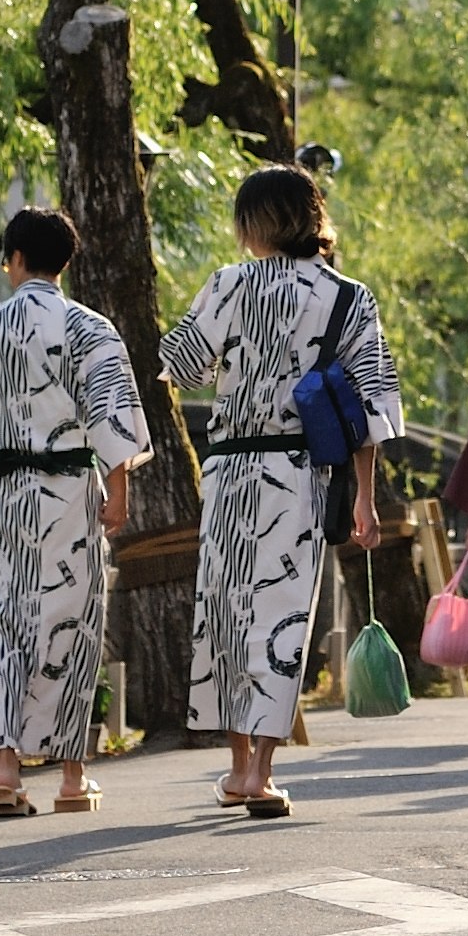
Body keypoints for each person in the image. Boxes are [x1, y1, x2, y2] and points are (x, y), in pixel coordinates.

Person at [162, 164, 398, 818]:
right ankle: (263, 772)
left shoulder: (227, 284)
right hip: (298, 475)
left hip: (232, 471)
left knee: (228, 617)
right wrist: (363, 498)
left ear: (251, 225)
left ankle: (237, 768)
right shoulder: (350, 297)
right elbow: (369, 407)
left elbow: (179, 365)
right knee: (284, 618)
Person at [0, 206, 151, 819]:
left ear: (14, 260)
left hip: (4, 494)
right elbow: (111, 418)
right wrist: (120, 488)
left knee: (8, 625)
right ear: (66, 262)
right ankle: (73, 778)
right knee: (73, 623)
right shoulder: (91, 328)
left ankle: (5, 768)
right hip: (72, 489)